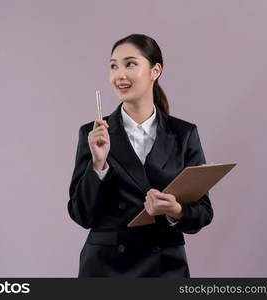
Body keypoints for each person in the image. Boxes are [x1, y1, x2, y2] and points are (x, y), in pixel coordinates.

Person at [67, 33, 213, 277]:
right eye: (113, 66)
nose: (119, 75)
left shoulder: (184, 133)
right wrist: (98, 164)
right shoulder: (93, 134)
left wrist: (176, 210)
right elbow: (82, 215)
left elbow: (204, 213)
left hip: (165, 268)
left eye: (130, 64)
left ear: (155, 71)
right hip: (106, 269)